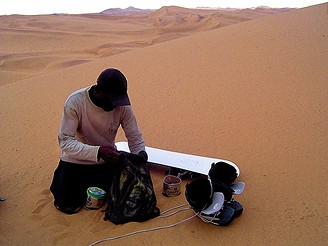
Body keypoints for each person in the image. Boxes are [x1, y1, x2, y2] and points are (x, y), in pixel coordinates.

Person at [50, 68, 148, 214]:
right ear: (99, 91)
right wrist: (97, 151)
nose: (115, 105)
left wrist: (141, 157)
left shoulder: (122, 106)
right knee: (67, 203)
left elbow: (135, 138)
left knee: (125, 197)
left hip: (106, 162)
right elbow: (65, 142)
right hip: (76, 161)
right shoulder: (75, 102)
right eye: (112, 100)